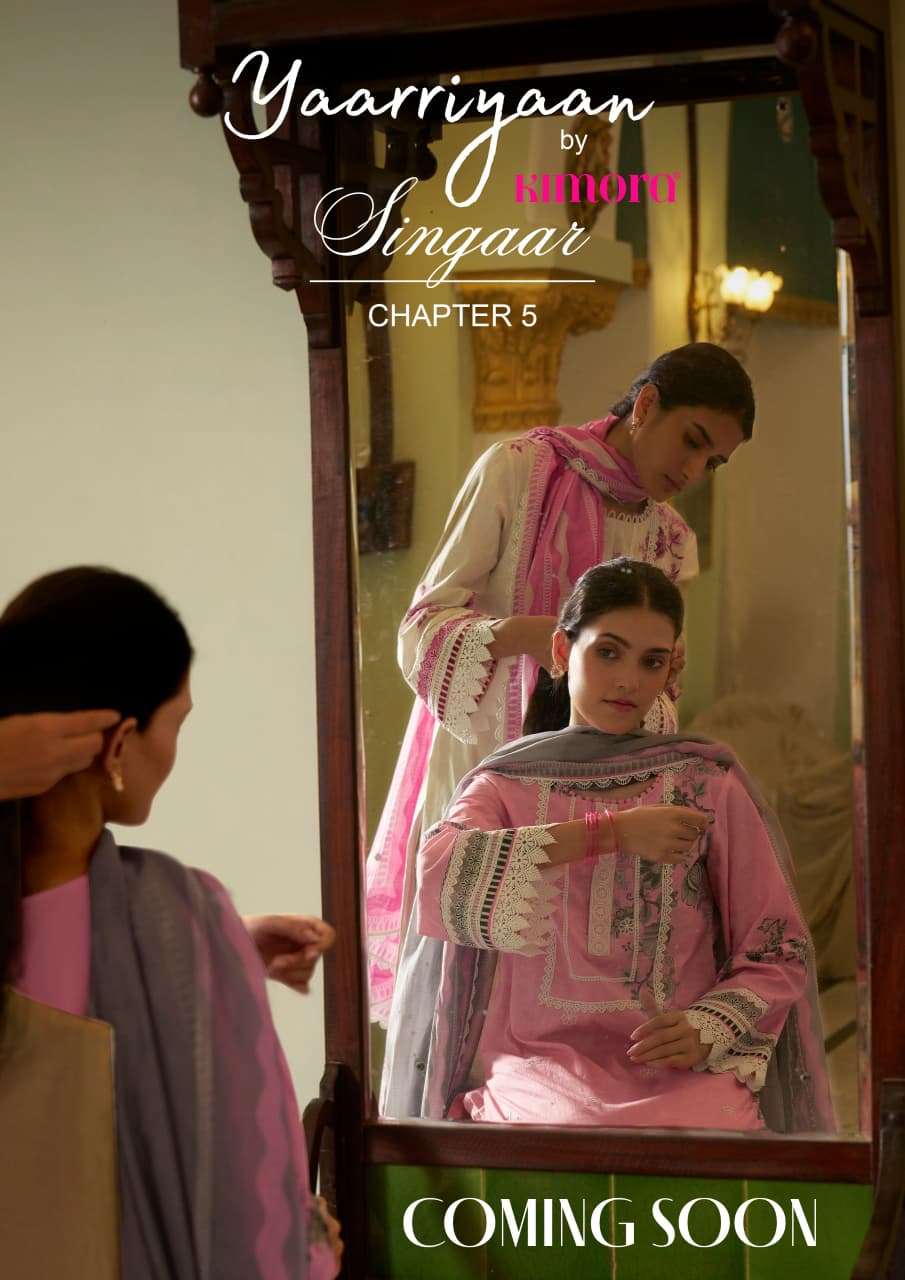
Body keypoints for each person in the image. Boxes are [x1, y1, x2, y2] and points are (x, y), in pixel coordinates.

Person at [367, 341, 756, 1026]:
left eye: (713, 462)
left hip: (602, 783)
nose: (694, 471)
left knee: (574, 988)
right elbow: (424, 625)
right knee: (468, 996)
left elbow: (658, 686)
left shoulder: (669, 540)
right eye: (692, 441)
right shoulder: (519, 470)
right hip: (489, 755)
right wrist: (547, 638)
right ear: (645, 405)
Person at [381, 559, 832, 1133]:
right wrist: (611, 833)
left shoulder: (706, 783)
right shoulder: (505, 786)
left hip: (680, 1067)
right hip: (540, 1066)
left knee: (715, 1122)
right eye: (608, 653)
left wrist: (710, 1024)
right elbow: (437, 875)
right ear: (562, 651)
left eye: (652, 662)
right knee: (563, 1122)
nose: (628, 681)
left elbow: (776, 946)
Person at [0, 567, 342, 1279]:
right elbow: (250, 1198)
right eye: (178, 722)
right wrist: (312, 1251)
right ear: (118, 744)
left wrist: (230, 948)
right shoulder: (182, 916)